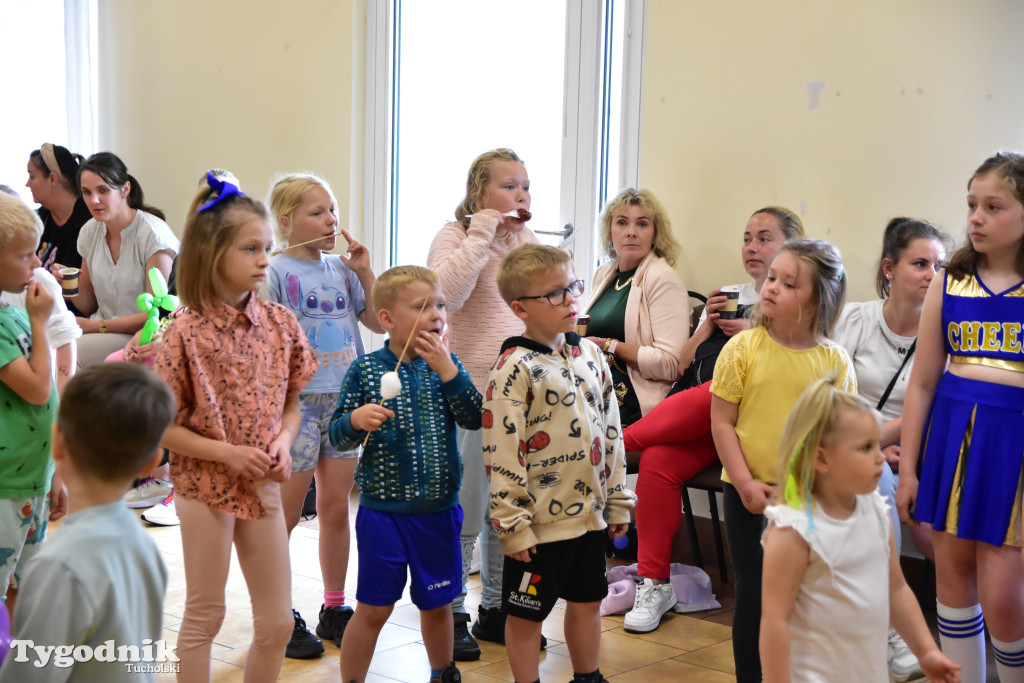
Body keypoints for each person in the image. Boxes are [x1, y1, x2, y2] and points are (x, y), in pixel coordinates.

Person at [154, 176, 317, 682]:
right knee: (206, 615)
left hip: (263, 482)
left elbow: (292, 404)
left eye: (267, 247)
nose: (264, 259)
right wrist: (227, 455)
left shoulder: (280, 323)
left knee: (277, 624)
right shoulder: (183, 332)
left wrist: (284, 442)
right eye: (250, 248)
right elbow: (163, 428)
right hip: (205, 486)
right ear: (210, 253)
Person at [620, 206, 804, 634]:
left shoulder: (799, 299)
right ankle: (654, 582)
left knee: (714, 393)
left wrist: (752, 336)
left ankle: (605, 449)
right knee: (658, 461)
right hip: (707, 420)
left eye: (764, 238)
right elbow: (681, 365)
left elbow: (797, 365)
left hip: (753, 420)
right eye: (747, 238)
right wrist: (706, 325)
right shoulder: (731, 294)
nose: (752, 247)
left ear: (791, 247)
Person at [897, 152, 1024, 683]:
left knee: (1004, 598)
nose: (976, 218)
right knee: (952, 584)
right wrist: (908, 469)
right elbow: (923, 383)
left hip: (1013, 446)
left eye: (994, 207)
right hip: (953, 437)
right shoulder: (950, 281)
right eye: (972, 204)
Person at [486, 244, 636, 683]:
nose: (571, 299)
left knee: (588, 602)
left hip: (588, 519)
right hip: (537, 529)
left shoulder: (591, 355)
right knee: (527, 615)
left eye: (573, 286)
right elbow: (501, 453)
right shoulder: (513, 368)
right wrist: (512, 525)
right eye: (555, 293)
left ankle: (588, 676)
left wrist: (617, 501)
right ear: (520, 308)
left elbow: (612, 435)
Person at [710, 239, 856, 683]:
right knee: (753, 597)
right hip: (748, 495)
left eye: (789, 284)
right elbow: (722, 424)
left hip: (806, 501)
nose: (771, 287)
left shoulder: (834, 361)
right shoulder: (742, 348)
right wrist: (745, 484)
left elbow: (838, 437)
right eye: (772, 277)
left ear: (819, 300)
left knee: (803, 600)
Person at [328, 265, 482, 683]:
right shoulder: (365, 370)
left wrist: (449, 372)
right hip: (383, 514)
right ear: (388, 319)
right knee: (374, 607)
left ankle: (442, 673)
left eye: (440, 306)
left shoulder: (449, 366)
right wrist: (355, 419)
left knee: (438, 603)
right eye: (421, 306)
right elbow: (338, 435)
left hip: (438, 513)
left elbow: (474, 417)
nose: (436, 314)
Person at [760, 377, 961, 683]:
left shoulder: (876, 510)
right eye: (866, 447)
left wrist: (926, 651)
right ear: (822, 458)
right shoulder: (794, 530)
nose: (880, 457)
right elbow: (775, 621)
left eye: (877, 444)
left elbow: (896, 590)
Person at [266, 172, 385, 659]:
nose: (331, 220)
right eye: (317, 213)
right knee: (286, 516)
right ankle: (278, 613)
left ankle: (334, 607)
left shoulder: (342, 268)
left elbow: (377, 320)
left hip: (344, 402)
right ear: (286, 221)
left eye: (332, 210)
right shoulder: (274, 271)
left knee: (336, 509)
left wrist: (366, 273)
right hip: (296, 406)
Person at [426, 148, 539, 659]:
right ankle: (452, 611)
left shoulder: (525, 241)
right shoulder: (455, 236)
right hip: (469, 392)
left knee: (506, 506)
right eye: (508, 186)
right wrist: (483, 231)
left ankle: (495, 606)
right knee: (466, 506)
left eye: (525, 186)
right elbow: (445, 295)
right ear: (479, 193)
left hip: (518, 395)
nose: (520, 195)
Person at [0, 363, 177, 683]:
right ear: (151, 463)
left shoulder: (58, 565)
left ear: (57, 442)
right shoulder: (145, 547)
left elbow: (30, 675)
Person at [832, 217, 948, 682]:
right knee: (875, 484)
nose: (932, 275)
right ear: (888, 269)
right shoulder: (854, 320)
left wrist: (906, 445)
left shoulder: (946, 333)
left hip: (918, 453)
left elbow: (941, 410)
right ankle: (888, 631)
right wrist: (879, 443)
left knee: (938, 534)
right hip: (850, 452)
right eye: (920, 264)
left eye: (939, 266)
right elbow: (826, 403)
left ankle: (975, 632)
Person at [0, 194, 60, 618]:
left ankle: (20, 655)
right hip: (5, 484)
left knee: (27, 584)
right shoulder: (20, 319)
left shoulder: (13, 313)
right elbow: (38, 389)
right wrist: (40, 322)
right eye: (25, 256)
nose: (35, 265)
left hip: (34, 477)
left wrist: (55, 473)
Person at [584, 187, 690, 426]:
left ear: (655, 235)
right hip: (594, 388)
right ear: (609, 232)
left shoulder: (663, 278)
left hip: (633, 401)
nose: (631, 232)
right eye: (622, 223)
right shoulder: (603, 273)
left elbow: (670, 364)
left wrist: (609, 346)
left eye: (642, 224)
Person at [64, 152, 179, 369]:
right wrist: (71, 287)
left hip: (142, 335)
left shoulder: (153, 235)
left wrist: (96, 326)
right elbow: (90, 305)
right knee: (47, 344)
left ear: (125, 189)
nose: (94, 200)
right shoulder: (89, 231)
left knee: (70, 355)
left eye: (103, 190)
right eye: (87, 192)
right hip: (101, 330)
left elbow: (156, 314)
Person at [25, 144, 91, 317]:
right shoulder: (40, 218)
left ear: (53, 179)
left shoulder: (88, 225)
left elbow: (89, 303)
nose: (27, 184)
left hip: (70, 318)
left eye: (32, 176)